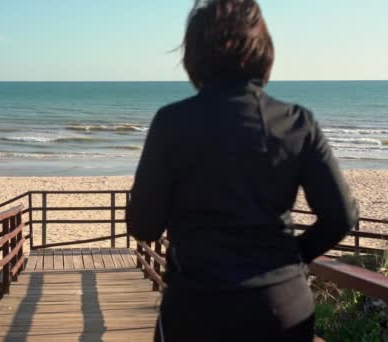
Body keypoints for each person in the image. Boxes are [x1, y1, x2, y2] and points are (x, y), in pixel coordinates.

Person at [126, 0, 359, 341]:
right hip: (281, 307)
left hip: (197, 307)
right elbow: (341, 216)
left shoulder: (171, 123)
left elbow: (144, 225)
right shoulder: (297, 122)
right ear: (264, 52)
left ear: (193, 56)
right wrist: (292, 256)